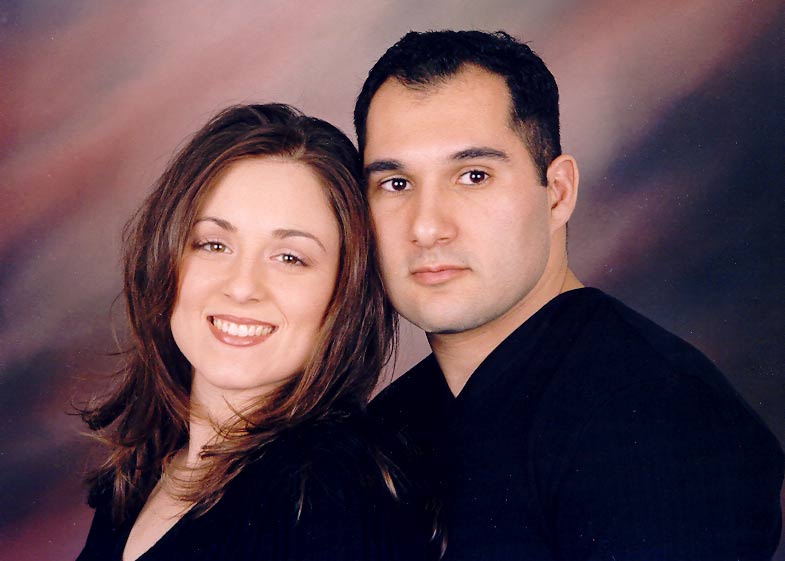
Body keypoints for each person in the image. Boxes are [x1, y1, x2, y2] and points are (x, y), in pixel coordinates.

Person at [354, 30, 784, 560]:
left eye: (473, 175)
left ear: (557, 193)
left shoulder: (660, 421)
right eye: (396, 184)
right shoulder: (389, 430)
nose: (426, 227)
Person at [76, 103, 435, 561]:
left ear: (346, 292)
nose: (243, 287)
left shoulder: (332, 494)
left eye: (290, 258)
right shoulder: (141, 475)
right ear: (164, 257)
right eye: (213, 244)